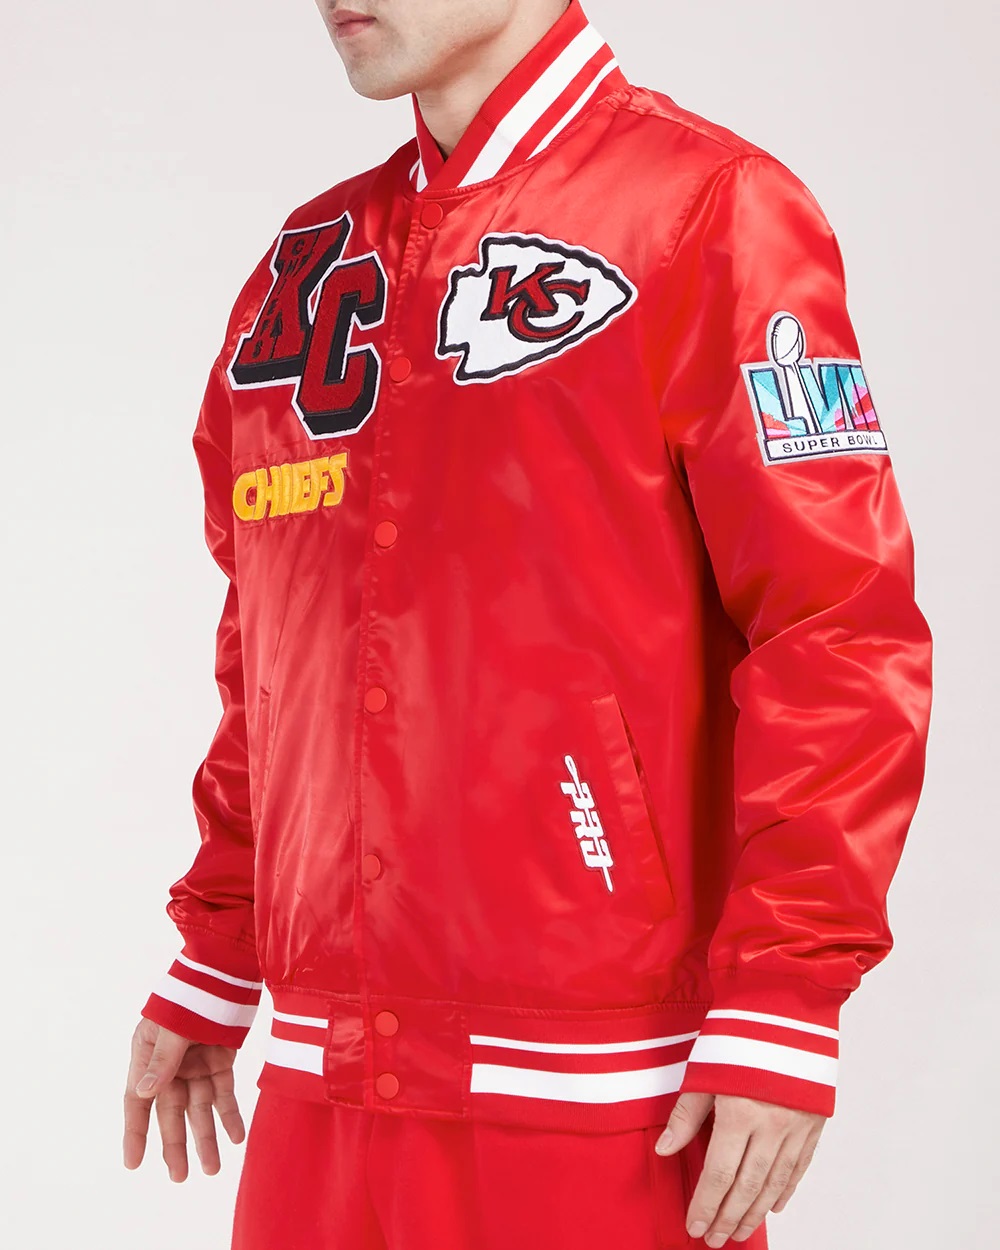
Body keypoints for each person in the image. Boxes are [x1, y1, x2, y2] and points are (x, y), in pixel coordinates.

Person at [121, 2, 934, 1247]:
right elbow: (272, 649)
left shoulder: (709, 211)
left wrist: (782, 992)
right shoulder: (306, 268)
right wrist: (221, 943)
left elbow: (837, 628)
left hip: (602, 1094)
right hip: (321, 1089)